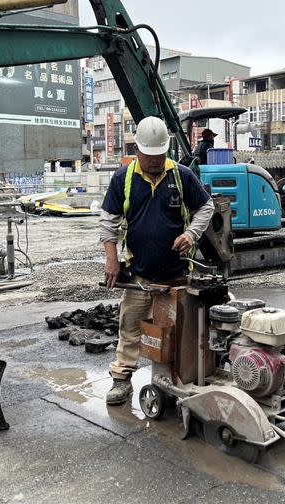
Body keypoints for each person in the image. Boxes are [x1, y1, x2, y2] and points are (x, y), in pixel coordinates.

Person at [99, 116, 215, 404]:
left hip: (175, 275)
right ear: (137, 151)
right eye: (149, 156)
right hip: (140, 276)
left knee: (176, 333)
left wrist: (190, 234)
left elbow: (206, 207)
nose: (155, 161)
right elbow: (108, 222)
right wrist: (111, 259)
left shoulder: (182, 176)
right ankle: (122, 380)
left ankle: (177, 380)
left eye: (160, 155)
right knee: (130, 328)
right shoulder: (123, 179)